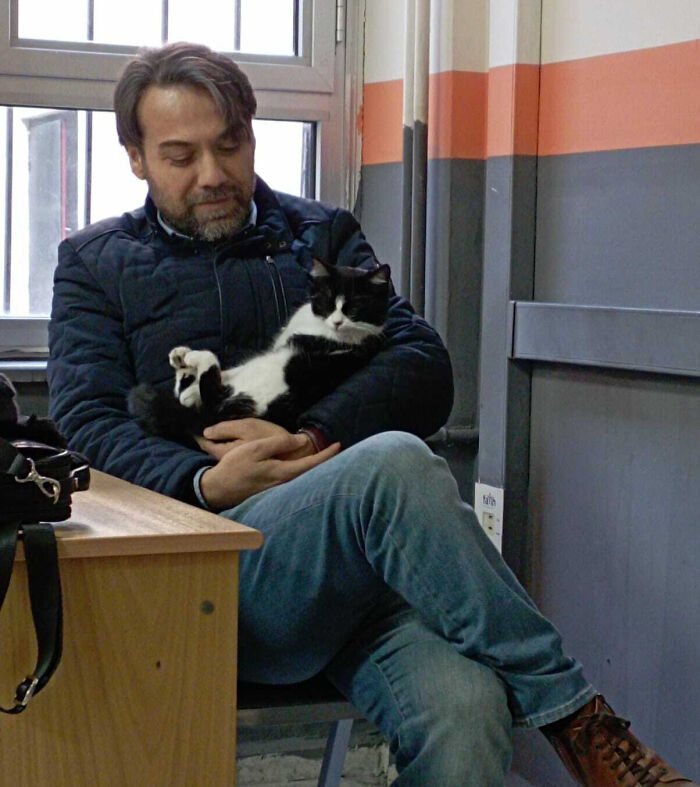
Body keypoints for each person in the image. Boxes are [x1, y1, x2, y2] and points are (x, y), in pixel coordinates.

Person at [47, 42, 696, 787]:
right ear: (135, 158)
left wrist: (308, 435)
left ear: (253, 134)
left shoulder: (319, 234)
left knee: (469, 711)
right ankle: (578, 722)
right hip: (213, 580)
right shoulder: (95, 263)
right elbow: (88, 423)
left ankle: (573, 727)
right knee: (392, 461)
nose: (213, 175)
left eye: (230, 146)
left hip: (359, 583)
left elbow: (423, 364)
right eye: (180, 155)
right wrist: (205, 484)